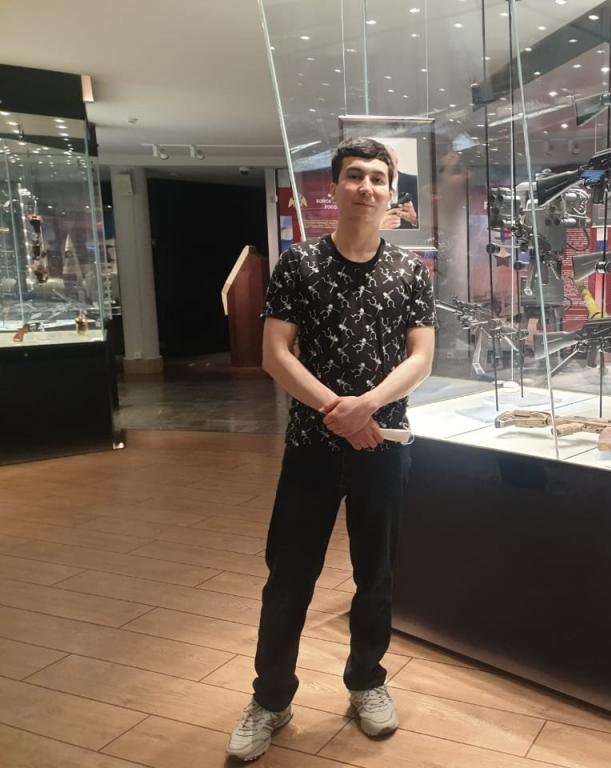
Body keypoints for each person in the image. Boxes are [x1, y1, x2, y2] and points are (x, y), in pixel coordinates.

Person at [226, 137, 435, 762]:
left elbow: (421, 358)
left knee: (378, 574)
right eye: (354, 175)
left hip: (384, 444)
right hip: (310, 446)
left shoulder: (411, 271)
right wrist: (337, 413)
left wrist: (365, 407)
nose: (366, 187)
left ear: (392, 192)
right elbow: (275, 354)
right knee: (289, 577)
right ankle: (270, 698)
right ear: (334, 188)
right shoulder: (300, 264)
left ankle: (367, 681)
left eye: (377, 177)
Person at [381, 145, 419, 230]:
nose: (386, 168)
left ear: (397, 162)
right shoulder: (368, 187)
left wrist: (414, 220)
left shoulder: (416, 183)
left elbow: (429, 224)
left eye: (389, 162)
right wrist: (378, 228)